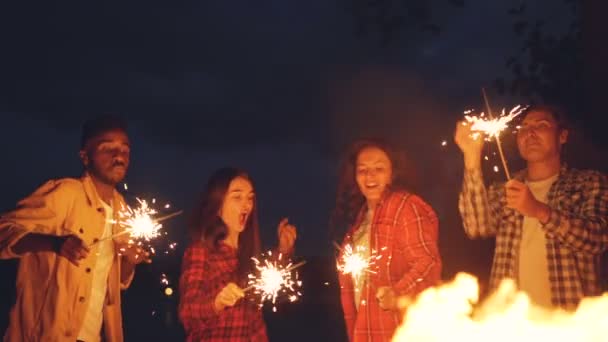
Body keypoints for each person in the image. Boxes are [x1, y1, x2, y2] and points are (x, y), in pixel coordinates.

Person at [0, 115, 150, 342]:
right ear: (85, 157)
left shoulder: (122, 210)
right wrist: (54, 243)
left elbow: (115, 285)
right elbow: (4, 231)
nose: (119, 156)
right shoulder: (66, 194)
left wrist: (129, 260)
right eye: (107, 148)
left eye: (125, 150)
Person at [455, 104, 608, 309]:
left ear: (562, 136)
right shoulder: (506, 188)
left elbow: (597, 239)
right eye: (524, 128)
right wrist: (471, 158)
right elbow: (477, 226)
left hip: (569, 322)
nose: (530, 133)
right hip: (512, 322)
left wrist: (539, 210)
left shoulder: (589, 183)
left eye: (541, 125)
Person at [330, 138, 442, 342]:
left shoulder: (405, 206)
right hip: (366, 334)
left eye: (379, 168)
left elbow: (428, 263)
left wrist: (398, 293)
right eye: (362, 170)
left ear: (393, 173)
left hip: (401, 332)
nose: (370, 175)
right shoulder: (358, 223)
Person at [178, 167, 297, 341]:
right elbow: (187, 313)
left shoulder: (250, 255)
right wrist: (216, 303)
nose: (246, 204)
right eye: (237, 197)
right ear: (218, 205)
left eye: (250, 198)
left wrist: (284, 251)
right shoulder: (201, 252)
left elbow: (269, 289)